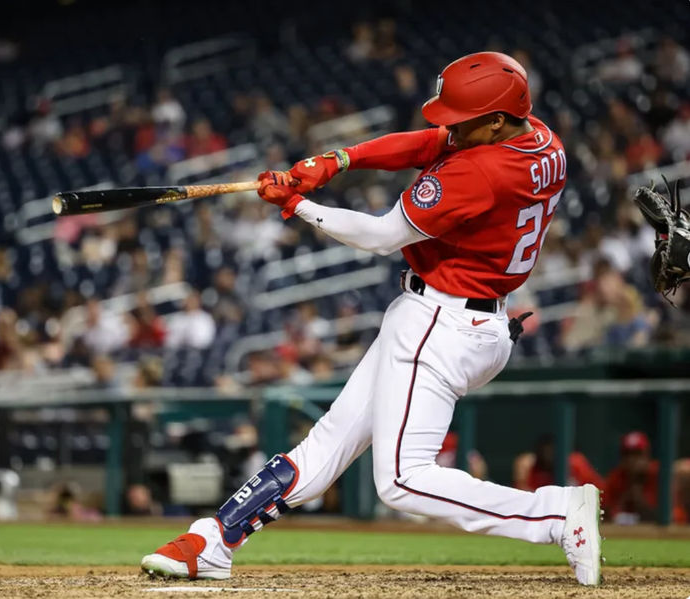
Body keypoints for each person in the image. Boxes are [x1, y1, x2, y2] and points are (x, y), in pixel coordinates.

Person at [140, 52, 602, 586]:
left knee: (403, 481)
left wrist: (297, 206)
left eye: (461, 117)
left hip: (441, 322)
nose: (447, 124)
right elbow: (427, 144)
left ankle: (555, 515)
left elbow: (384, 237)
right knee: (327, 442)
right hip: (466, 320)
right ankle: (216, 539)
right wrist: (338, 160)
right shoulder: (539, 138)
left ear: (496, 120)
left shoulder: (482, 171)